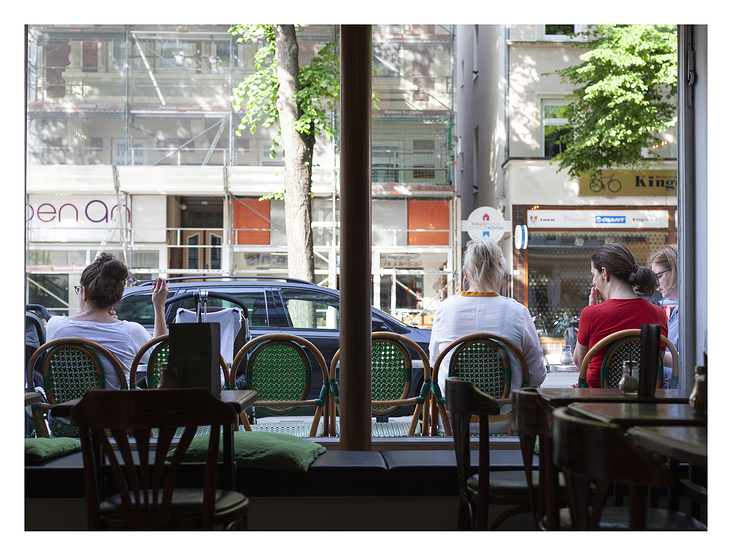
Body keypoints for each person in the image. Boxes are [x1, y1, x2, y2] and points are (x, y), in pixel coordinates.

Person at [429, 237, 547, 413]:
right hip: (507, 421)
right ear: (500, 271)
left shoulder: (444, 310)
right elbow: (537, 374)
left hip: (454, 422)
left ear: (465, 273)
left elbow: (434, 362)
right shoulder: (517, 312)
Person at [46, 253, 168, 389]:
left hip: (68, 410)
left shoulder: (55, 325)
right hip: (117, 409)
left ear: (84, 293)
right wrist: (159, 306)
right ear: (117, 298)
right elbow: (161, 365)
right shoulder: (132, 332)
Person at [572, 243, 668, 388]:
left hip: (599, 403)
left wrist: (592, 310)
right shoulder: (658, 313)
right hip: (645, 403)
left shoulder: (591, 314)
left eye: (593, 274)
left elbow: (581, 365)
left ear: (604, 273)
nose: (593, 281)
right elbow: (655, 363)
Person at [650, 244, 679, 388]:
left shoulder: (691, 313)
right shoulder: (678, 313)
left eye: (659, 276)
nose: (656, 283)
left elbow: (692, 359)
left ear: (675, 271)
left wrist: (654, 354)